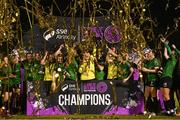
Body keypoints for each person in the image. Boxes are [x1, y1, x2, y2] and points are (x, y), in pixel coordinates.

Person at [160, 39, 180, 115]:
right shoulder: (169, 60)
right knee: (163, 95)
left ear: (174, 55)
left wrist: (166, 44)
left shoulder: (174, 60)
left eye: (173, 52)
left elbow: (169, 50)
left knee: (166, 95)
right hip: (163, 77)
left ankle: (172, 110)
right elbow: (165, 54)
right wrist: (165, 45)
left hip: (168, 77)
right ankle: (168, 111)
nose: (171, 52)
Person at [140, 47, 161, 116]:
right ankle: (148, 110)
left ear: (151, 52)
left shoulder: (155, 60)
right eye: (146, 54)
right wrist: (141, 68)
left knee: (153, 95)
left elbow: (156, 70)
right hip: (148, 80)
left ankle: (156, 111)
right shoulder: (148, 61)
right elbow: (143, 68)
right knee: (146, 95)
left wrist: (146, 70)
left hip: (153, 79)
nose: (147, 55)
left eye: (148, 53)